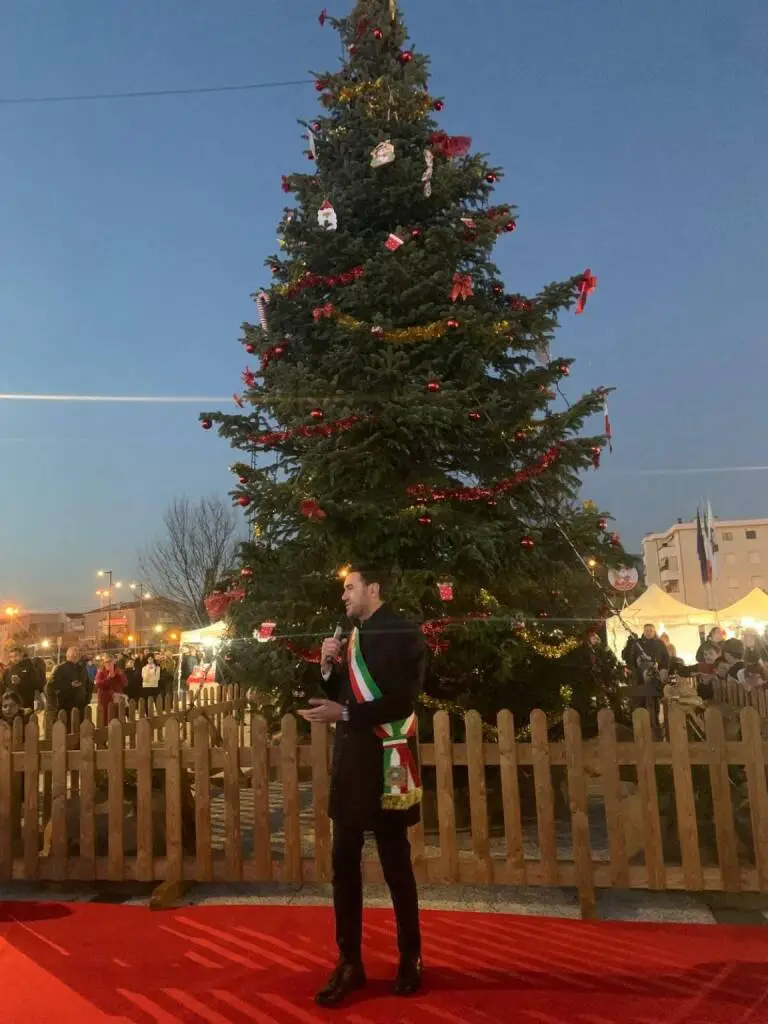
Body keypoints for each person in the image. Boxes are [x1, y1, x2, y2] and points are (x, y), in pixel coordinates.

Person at [299, 567, 426, 1008]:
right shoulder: (351, 637)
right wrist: (328, 666)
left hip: (389, 760)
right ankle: (349, 962)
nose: (344, 595)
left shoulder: (405, 633)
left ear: (373, 589)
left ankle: (410, 957)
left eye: (350, 587)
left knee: (396, 863)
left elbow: (400, 701)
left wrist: (345, 714)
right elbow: (342, 695)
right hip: (353, 763)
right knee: (343, 866)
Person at [45, 647, 90, 724]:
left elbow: (89, 685)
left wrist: (87, 699)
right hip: (65, 707)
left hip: (81, 706)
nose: (75, 655)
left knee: (79, 729)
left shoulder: (82, 668)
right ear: (67, 655)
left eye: (77, 653)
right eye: (73, 654)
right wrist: (69, 685)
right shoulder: (60, 669)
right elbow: (50, 687)